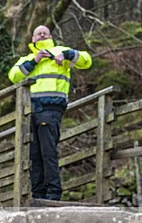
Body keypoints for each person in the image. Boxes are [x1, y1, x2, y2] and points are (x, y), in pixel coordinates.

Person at [8, 25, 92, 201]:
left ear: (51, 36)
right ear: (32, 39)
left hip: (51, 109)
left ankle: (53, 194)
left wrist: (67, 56)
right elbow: (13, 76)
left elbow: (86, 60)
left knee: (48, 152)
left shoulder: (60, 51)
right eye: (38, 33)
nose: (42, 35)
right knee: (35, 155)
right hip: (31, 112)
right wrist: (34, 61)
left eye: (45, 33)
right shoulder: (28, 58)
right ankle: (38, 194)